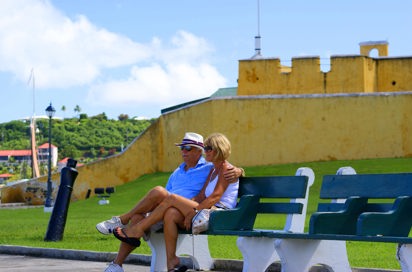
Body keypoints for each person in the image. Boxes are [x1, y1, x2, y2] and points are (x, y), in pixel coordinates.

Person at [97, 132, 244, 272]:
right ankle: (168, 263)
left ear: (215, 149)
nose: (183, 152)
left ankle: (130, 225)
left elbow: (215, 197)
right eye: (182, 148)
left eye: (207, 148)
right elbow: (200, 196)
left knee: (169, 199)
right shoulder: (203, 170)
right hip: (185, 209)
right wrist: (190, 209)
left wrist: (193, 212)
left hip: (216, 212)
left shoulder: (212, 167)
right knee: (166, 211)